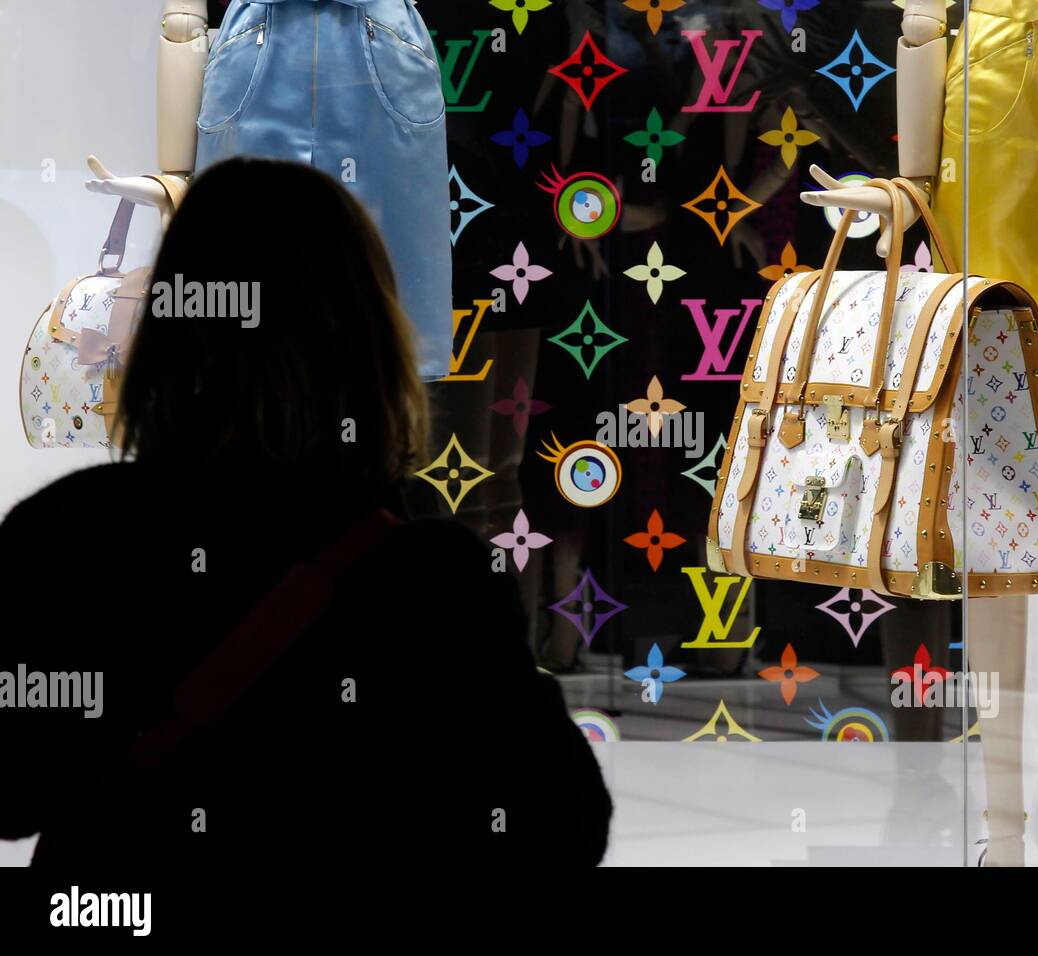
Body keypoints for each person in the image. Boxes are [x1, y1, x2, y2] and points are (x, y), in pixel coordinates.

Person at [0, 158, 610, 870]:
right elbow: (560, 827)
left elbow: (14, 793)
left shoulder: (67, 535)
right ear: (370, 340)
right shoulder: (434, 578)